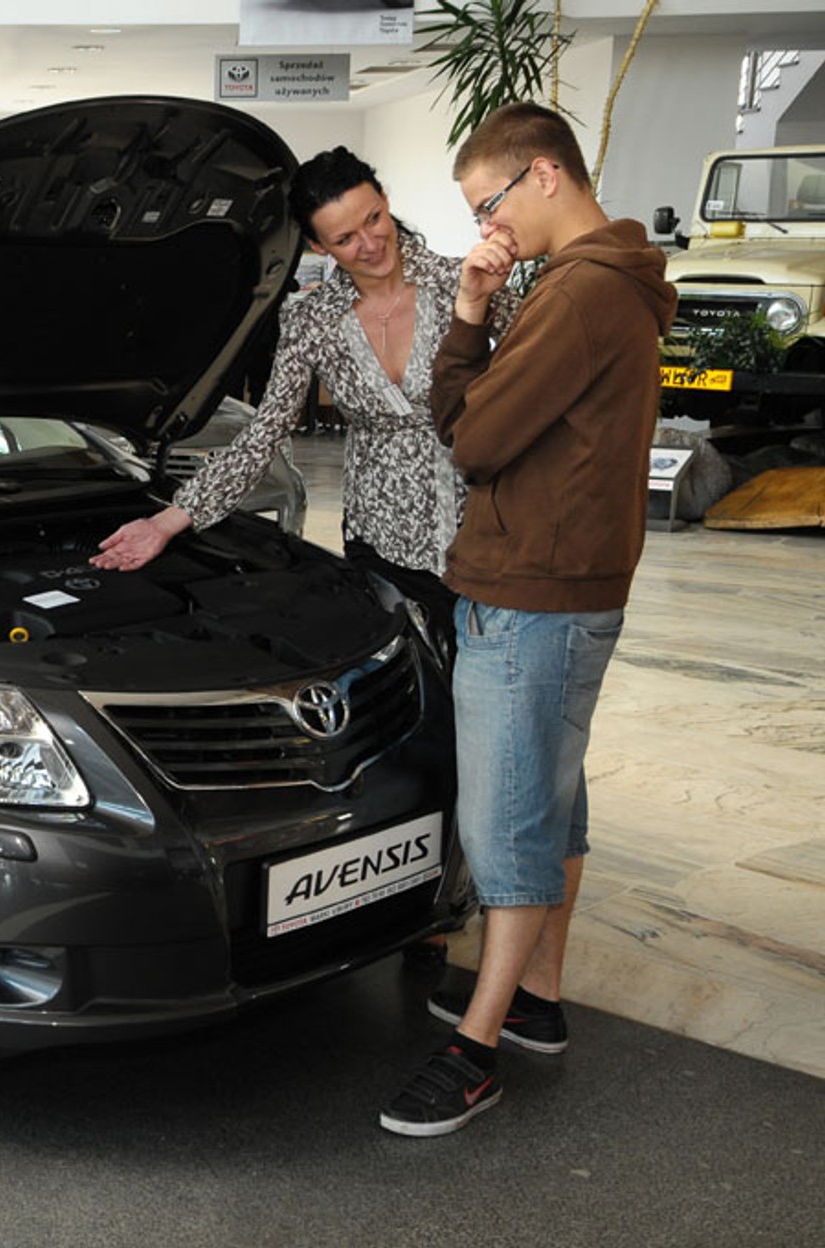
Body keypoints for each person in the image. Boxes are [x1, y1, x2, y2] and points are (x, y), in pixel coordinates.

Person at [377, 103, 677, 1137]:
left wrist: (466, 328)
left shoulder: (581, 291)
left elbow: (468, 437)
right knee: (552, 805)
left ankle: (475, 1051)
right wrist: (471, 305)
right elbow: (477, 419)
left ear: (541, 174)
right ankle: (536, 998)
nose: (486, 231)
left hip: (530, 594)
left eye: (487, 205)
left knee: (503, 831)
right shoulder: (614, 278)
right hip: (573, 585)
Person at [89, 146, 520, 666]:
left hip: (488, 530)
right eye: (344, 238)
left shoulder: (462, 281)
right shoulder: (309, 321)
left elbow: (545, 357)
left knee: (492, 696)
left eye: (374, 219)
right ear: (318, 245)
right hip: (382, 541)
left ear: (385, 200)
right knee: (412, 696)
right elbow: (264, 432)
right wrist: (169, 521)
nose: (369, 244)